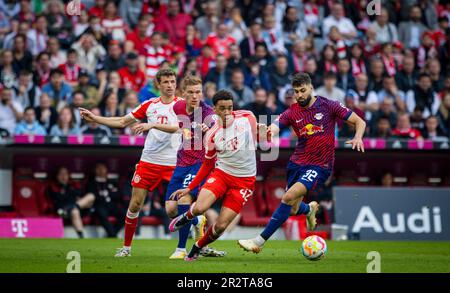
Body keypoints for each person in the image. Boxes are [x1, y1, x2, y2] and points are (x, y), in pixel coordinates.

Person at [238, 72, 366, 253]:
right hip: (296, 163)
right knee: (292, 208)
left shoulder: (329, 106)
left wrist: (358, 137)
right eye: (296, 91)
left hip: (320, 165)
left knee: (288, 197)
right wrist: (264, 131)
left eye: (303, 90)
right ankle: (307, 210)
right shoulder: (292, 111)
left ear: (311, 88)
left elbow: (359, 121)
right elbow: (273, 130)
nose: (299, 95)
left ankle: (258, 241)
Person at [79, 69, 181, 256]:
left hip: (174, 163)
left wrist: (152, 125)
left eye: (172, 81)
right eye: (165, 82)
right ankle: (126, 248)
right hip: (149, 162)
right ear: (158, 85)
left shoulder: (182, 106)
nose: (169, 85)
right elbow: (121, 122)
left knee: (176, 208)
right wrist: (95, 119)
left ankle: (195, 245)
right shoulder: (150, 105)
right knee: (135, 205)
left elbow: (180, 128)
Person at [134, 75, 223, 259]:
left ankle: (181, 249)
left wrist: (209, 132)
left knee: (184, 200)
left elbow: (217, 128)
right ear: (183, 94)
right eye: (190, 92)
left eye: (198, 92)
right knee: (171, 209)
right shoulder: (178, 107)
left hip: (200, 164)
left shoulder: (208, 114)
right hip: (181, 162)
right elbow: (177, 127)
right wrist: (153, 125)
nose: (195, 96)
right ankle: (198, 219)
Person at [169, 90, 258, 261]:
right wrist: (189, 188)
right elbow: (207, 164)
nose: (226, 113)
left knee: (221, 226)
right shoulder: (211, 134)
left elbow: (262, 136)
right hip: (222, 174)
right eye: (222, 109)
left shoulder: (248, 117)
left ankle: (197, 247)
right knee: (201, 207)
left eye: (229, 108)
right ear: (215, 109)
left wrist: (265, 132)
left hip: (244, 182)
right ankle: (186, 217)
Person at [48, 166, 95, 238]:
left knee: (91, 196)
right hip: (62, 211)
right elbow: (57, 200)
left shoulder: (72, 186)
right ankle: (81, 236)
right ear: (56, 176)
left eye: (65, 174)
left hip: (78, 208)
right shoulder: (52, 187)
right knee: (74, 211)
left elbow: (81, 197)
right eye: (61, 174)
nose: (63, 176)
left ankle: (73, 207)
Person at [86, 162, 125, 238]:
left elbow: (119, 195)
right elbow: (90, 196)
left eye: (103, 168)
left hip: (110, 205)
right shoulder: (92, 183)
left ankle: (112, 234)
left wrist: (110, 194)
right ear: (95, 170)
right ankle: (112, 235)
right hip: (99, 205)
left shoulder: (111, 182)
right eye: (98, 168)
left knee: (125, 214)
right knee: (101, 213)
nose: (101, 170)